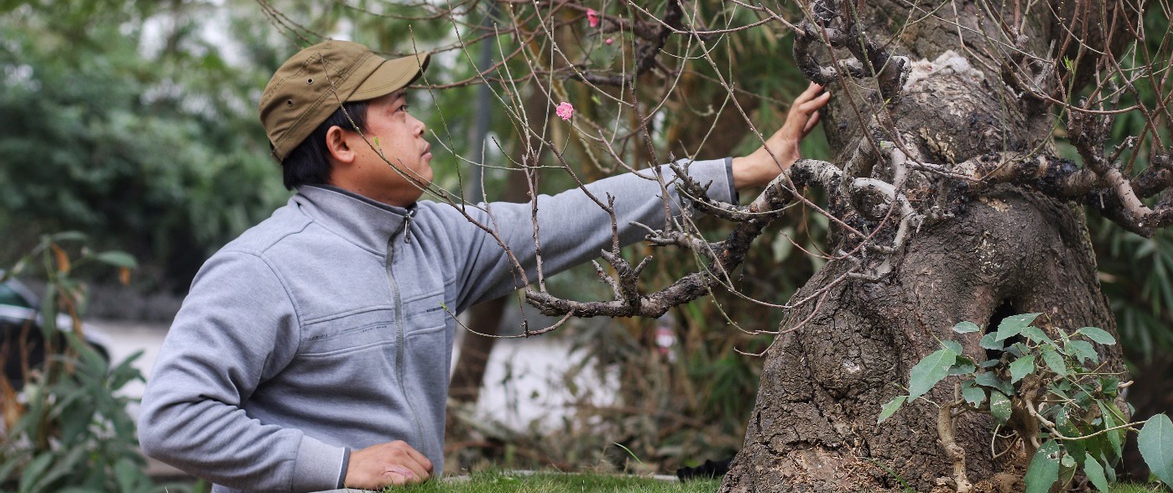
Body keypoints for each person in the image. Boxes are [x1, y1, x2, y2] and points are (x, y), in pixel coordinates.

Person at [138, 39, 830, 492]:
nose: (420, 127)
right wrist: (340, 466)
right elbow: (172, 419)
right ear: (342, 142)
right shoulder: (261, 268)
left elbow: (576, 214)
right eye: (400, 111)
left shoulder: (436, 237)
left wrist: (741, 172)